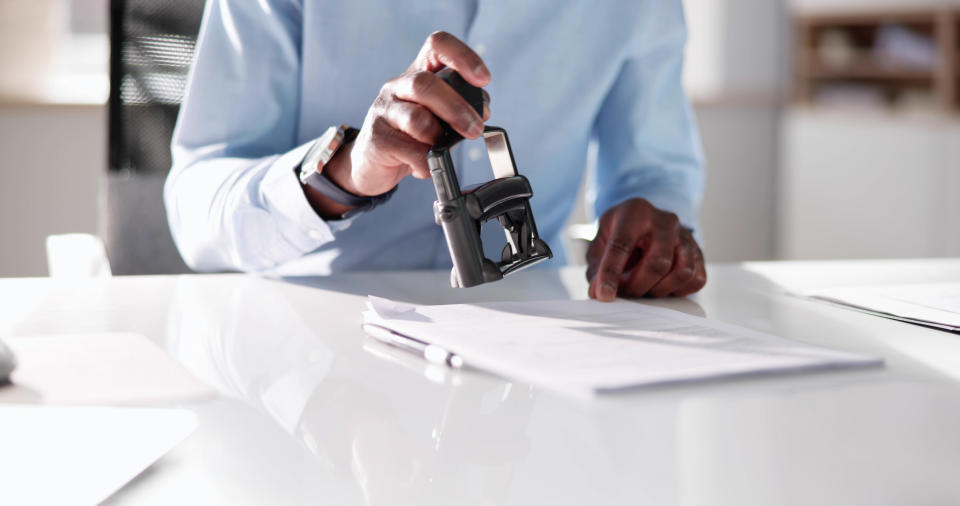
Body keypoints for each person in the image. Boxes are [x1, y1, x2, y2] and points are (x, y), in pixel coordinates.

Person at [165, 0, 707, 301]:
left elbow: (653, 172)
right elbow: (196, 211)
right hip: (315, 335)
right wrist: (342, 173)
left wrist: (654, 229)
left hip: (537, 334)